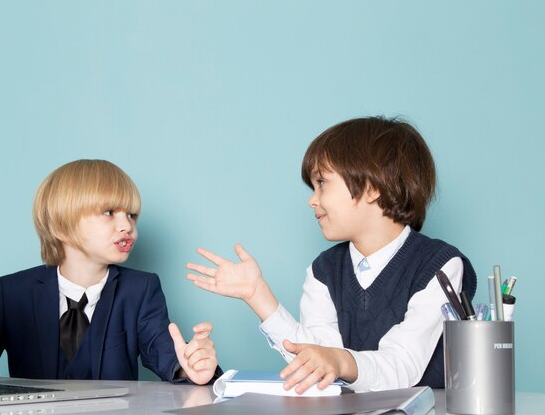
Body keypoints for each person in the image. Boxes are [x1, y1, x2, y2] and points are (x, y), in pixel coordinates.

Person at [186, 116, 476, 393]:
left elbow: (402, 365)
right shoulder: (324, 270)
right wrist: (257, 296)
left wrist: (340, 361)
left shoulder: (440, 265)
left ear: (373, 187)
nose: (312, 200)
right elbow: (316, 359)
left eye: (322, 183)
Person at [0, 159, 219, 384]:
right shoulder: (11, 293)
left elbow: (165, 352)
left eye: (131, 215)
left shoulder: (140, 290)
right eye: (108, 212)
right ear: (59, 226)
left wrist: (191, 367)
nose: (127, 226)